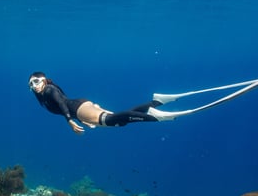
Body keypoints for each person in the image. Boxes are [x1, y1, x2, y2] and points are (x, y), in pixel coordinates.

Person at [28, 71, 258, 134]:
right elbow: (62, 100)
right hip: (80, 107)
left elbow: (60, 102)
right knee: (118, 119)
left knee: (115, 121)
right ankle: (156, 103)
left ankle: (157, 116)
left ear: (45, 79)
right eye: (31, 84)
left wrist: (70, 120)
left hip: (76, 109)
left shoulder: (48, 89)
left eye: (36, 80)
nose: (34, 85)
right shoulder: (44, 92)